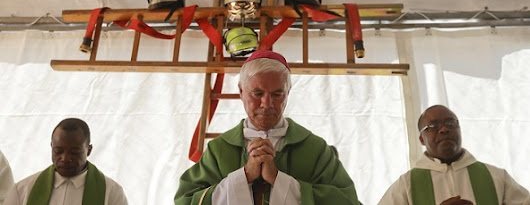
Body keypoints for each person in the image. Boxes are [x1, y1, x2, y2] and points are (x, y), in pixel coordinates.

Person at [174, 50, 360, 204]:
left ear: (288, 92)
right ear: (241, 91)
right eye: (257, 93)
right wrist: (244, 177)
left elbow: (348, 201)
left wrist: (279, 180)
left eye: (277, 94)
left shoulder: (315, 149)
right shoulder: (219, 149)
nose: (266, 103)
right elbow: (185, 200)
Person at [378, 105, 530, 205]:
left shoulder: (496, 177)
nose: (444, 129)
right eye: (433, 126)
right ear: (421, 139)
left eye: (450, 123)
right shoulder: (406, 184)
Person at [4, 118, 128, 205]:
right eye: (58, 151)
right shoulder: (23, 190)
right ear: (51, 147)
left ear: (89, 150)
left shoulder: (112, 192)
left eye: (74, 152)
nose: (65, 158)